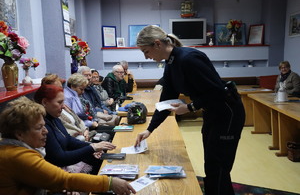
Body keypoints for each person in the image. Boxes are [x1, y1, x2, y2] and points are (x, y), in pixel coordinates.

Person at [134, 25, 245, 195]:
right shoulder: (171, 62)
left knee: (219, 165)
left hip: (227, 111)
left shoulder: (188, 58)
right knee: (211, 164)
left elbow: (217, 91)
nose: (146, 57)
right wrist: (150, 129)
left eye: (145, 51)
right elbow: (166, 100)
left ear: (157, 44)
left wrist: (190, 107)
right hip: (212, 111)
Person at [0, 96, 136, 195]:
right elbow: (63, 179)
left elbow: (46, 179)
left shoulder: (13, 149)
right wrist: (109, 183)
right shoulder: (17, 155)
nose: (45, 131)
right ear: (19, 134)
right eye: (39, 128)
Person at [34, 84, 116, 175]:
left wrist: (92, 146)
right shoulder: (42, 125)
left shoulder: (54, 117)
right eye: (59, 102)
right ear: (45, 102)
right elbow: (60, 158)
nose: (63, 106)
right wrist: (92, 148)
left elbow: (68, 140)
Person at [42, 74, 92, 141]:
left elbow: (78, 119)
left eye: (61, 88)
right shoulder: (54, 111)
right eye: (57, 89)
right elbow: (69, 131)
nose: (61, 91)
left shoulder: (64, 106)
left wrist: (85, 130)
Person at [64, 73, 115, 138]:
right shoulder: (68, 98)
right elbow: (73, 119)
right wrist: (90, 123)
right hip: (82, 129)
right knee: (113, 132)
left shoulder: (75, 95)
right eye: (81, 89)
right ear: (73, 86)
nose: (83, 92)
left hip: (87, 125)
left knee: (114, 130)